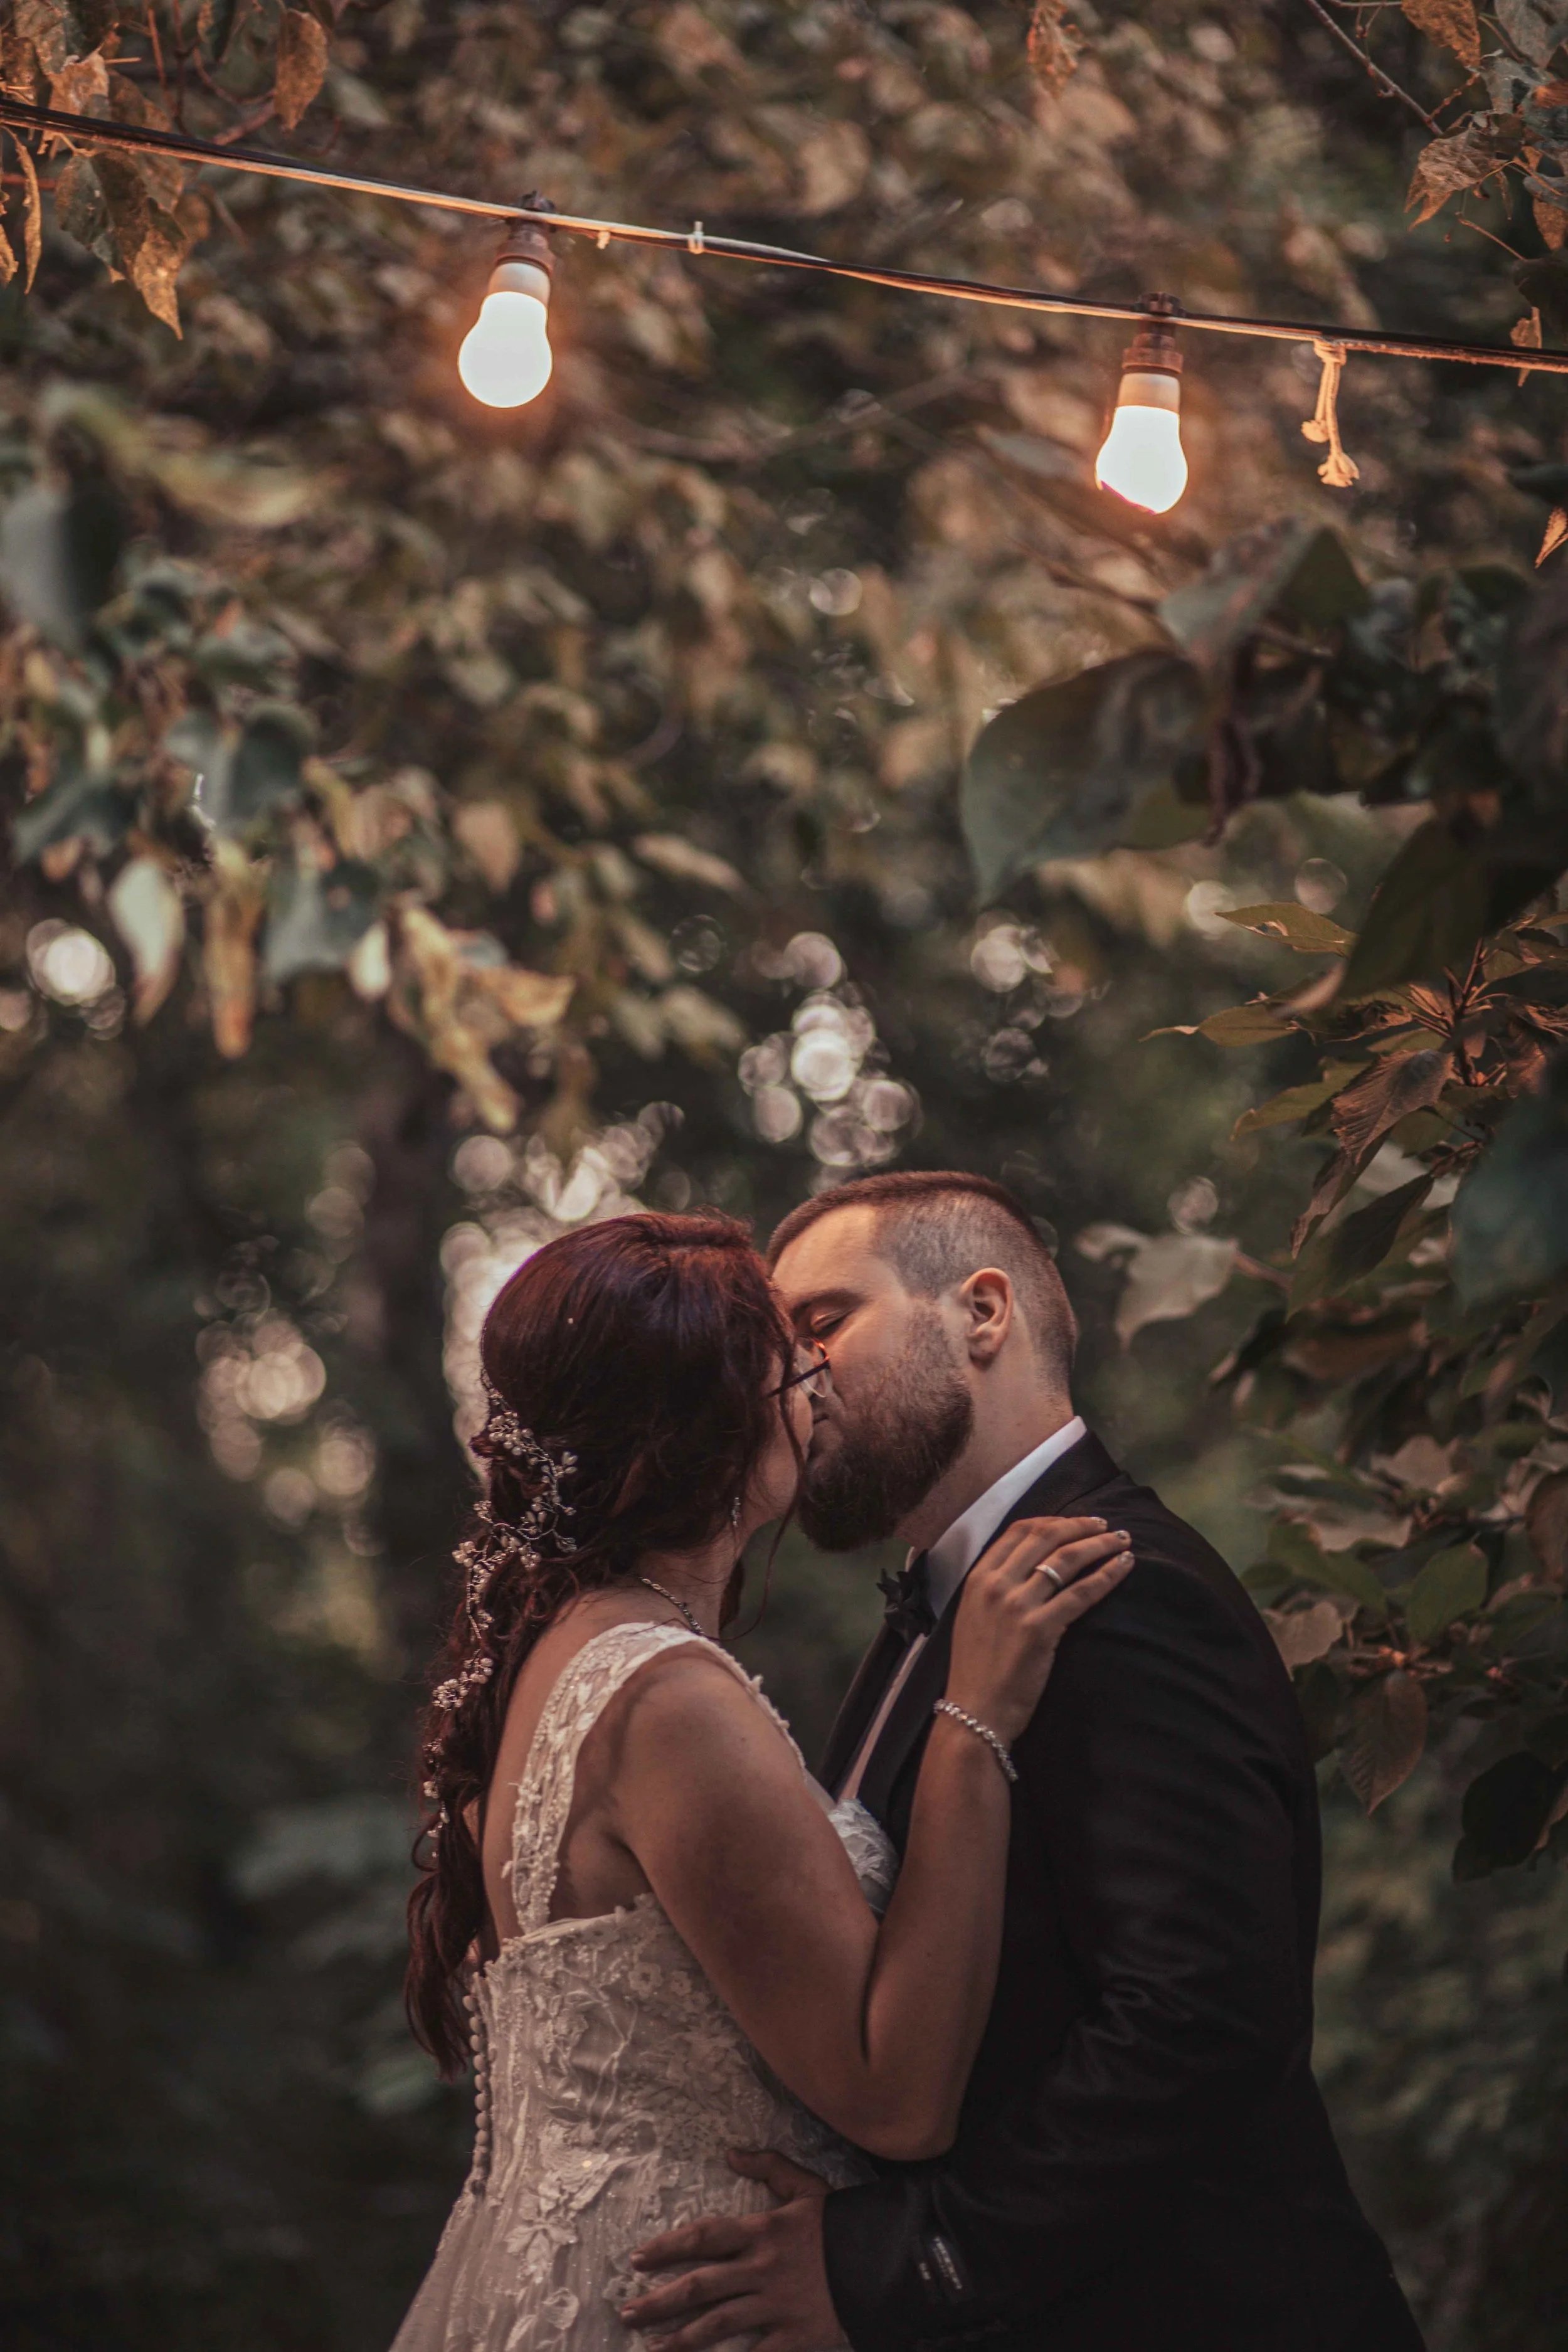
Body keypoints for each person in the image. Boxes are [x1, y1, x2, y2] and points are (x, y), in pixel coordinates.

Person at [620, 1170, 1426, 2352]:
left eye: (823, 1323)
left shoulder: (1123, 1585)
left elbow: (1201, 2022)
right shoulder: (933, 1617)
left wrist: (911, 2260)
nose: (785, 1379)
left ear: (982, 1313)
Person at [389, 1209, 1131, 2352]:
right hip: (692, 2301)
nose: (820, 1388)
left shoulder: (556, 1658)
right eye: (794, 1362)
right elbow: (897, 2094)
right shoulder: (666, 1694)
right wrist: (974, 1720)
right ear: (713, 1418)